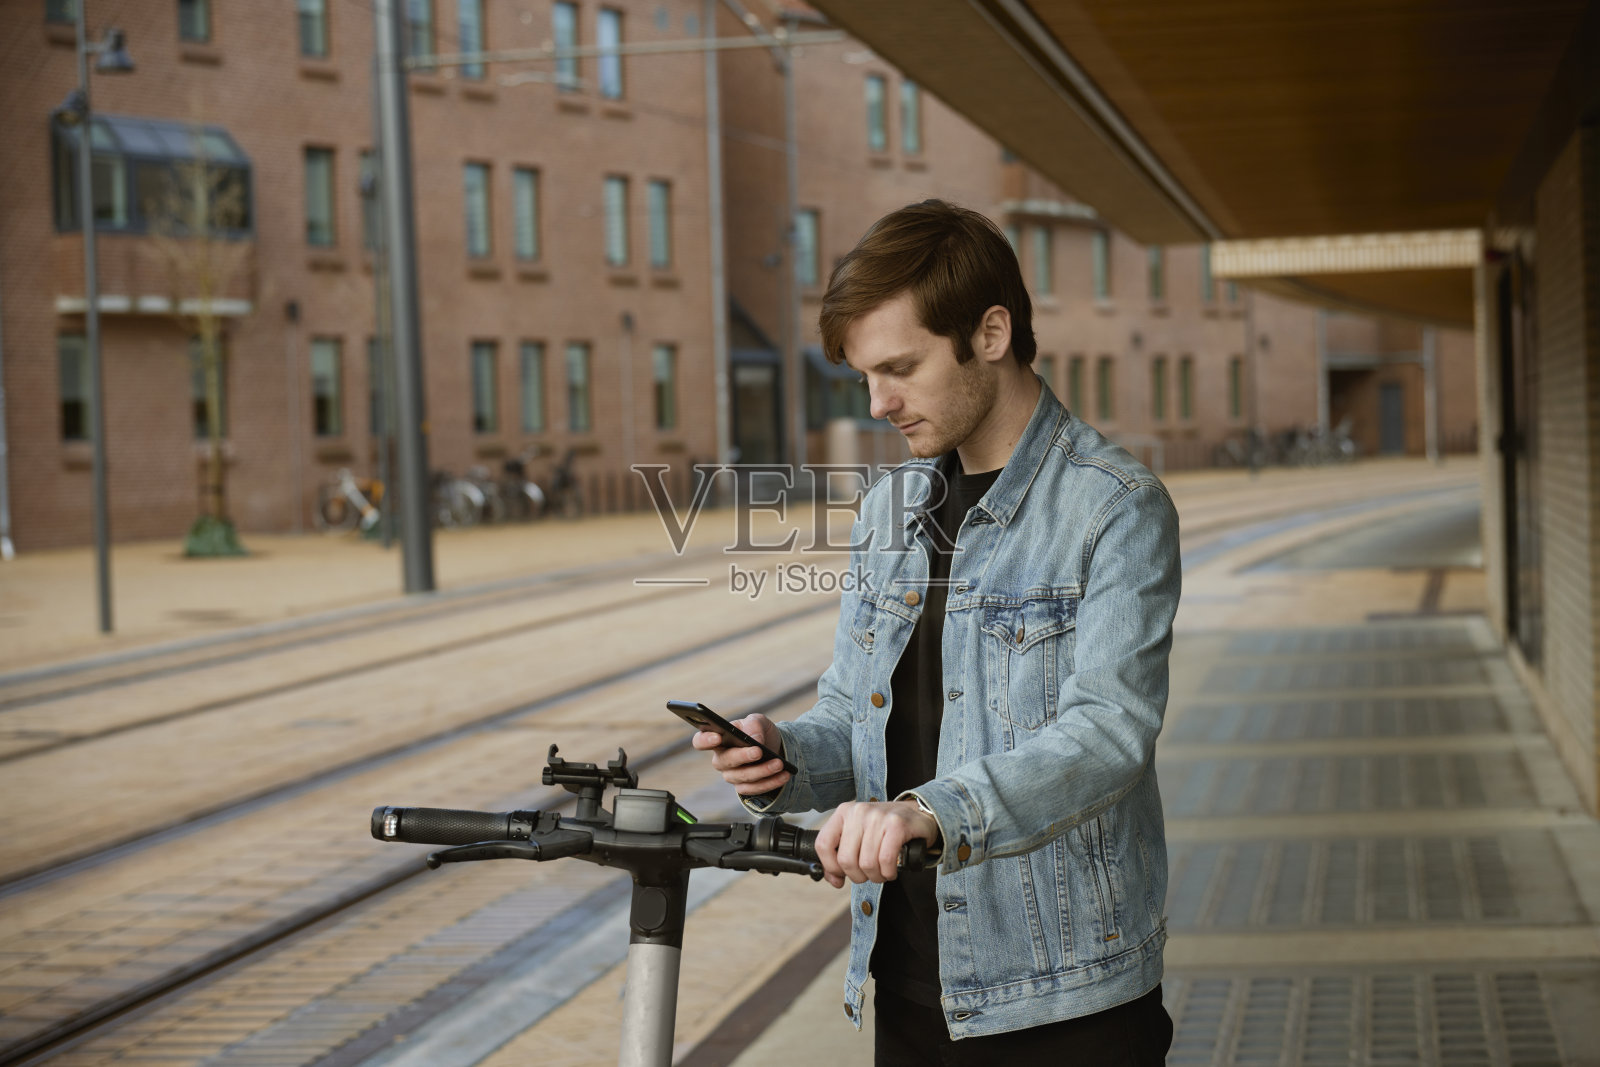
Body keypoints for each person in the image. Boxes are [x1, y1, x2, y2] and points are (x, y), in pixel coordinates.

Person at [693, 200, 1180, 1064]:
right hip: (912, 985)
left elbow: (1109, 733)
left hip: (1065, 1000)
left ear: (990, 332)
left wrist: (930, 811)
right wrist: (783, 756)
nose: (880, 402)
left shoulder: (1113, 507)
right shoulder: (890, 510)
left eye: (901, 368)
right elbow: (853, 719)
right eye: (863, 378)